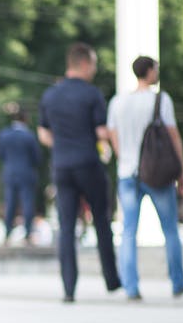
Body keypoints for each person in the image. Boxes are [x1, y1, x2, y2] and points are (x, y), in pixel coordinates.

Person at [38, 42, 122, 302]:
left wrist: (62, 144)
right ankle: (111, 280)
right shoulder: (92, 94)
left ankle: (69, 289)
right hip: (88, 163)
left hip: (62, 166)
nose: (95, 70)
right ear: (84, 64)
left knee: (66, 227)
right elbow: (100, 132)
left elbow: (43, 134)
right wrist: (106, 144)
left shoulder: (50, 96)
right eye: (94, 65)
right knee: (101, 220)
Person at [106, 56, 183, 300]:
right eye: (156, 68)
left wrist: (124, 158)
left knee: (128, 231)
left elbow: (112, 136)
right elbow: (173, 136)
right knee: (170, 230)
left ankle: (131, 287)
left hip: (127, 172)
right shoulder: (160, 99)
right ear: (148, 71)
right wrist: (182, 172)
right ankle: (177, 282)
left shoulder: (118, 102)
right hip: (156, 173)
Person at [0, 109, 41, 244]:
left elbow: (0, 155)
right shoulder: (29, 136)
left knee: (10, 203)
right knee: (27, 203)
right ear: (25, 119)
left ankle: (7, 233)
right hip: (26, 172)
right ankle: (27, 234)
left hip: (10, 172)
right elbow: (37, 158)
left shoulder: (3, 135)